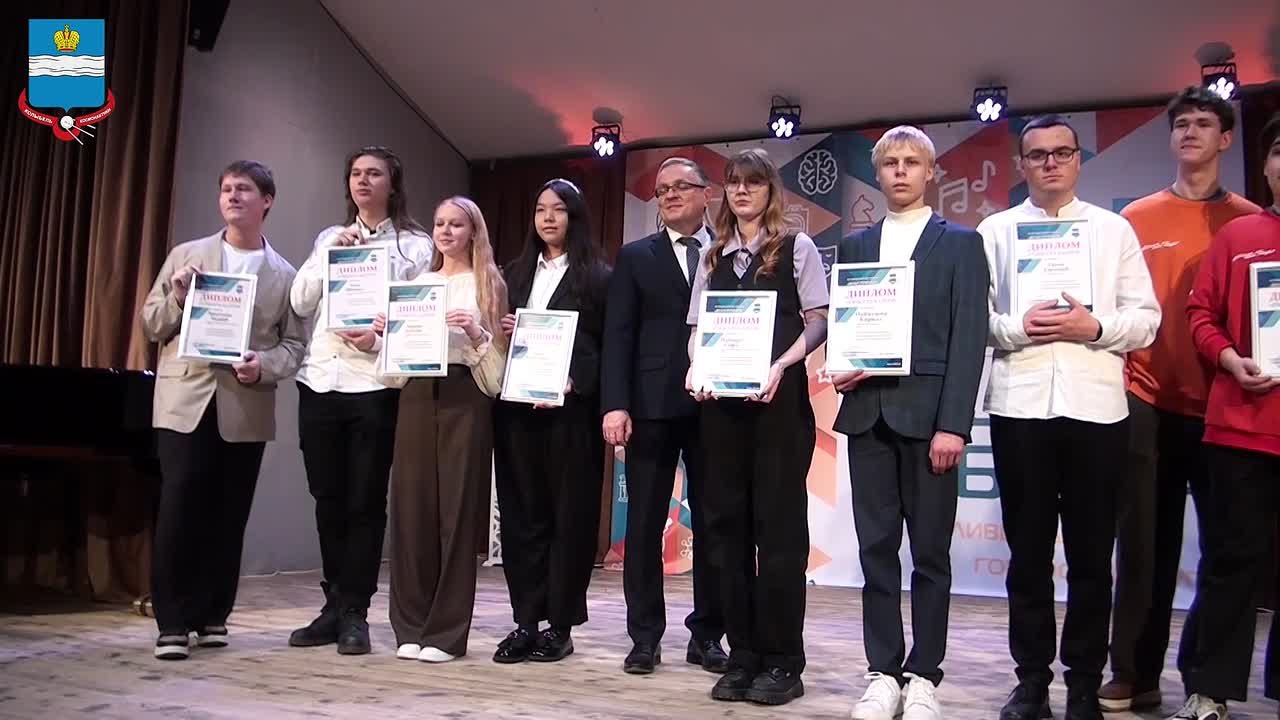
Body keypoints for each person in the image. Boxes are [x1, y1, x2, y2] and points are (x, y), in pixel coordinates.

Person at [980, 115, 1160, 720]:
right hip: (1020, 406)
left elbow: (1147, 319)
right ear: (1021, 165)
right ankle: (1031, 681)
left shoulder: (1113, 230)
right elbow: (976, 318)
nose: (1051, 163)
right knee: (1028, 557)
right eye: (1038, 155)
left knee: (1091, 557)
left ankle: (1084, 682)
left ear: (1079, 160)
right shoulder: (996, 231)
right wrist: (1017, 326)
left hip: (1096, 410)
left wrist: (1096, 326)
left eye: (1062, 152)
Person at [1101, 88, 1260, 712]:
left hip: (1226, 403)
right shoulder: (1136, 217)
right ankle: (1134, 673)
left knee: (1226, 548)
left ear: (1226, 139)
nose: (1191, 132)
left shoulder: (1248, 221)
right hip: (1146, 397)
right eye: (1182, 124)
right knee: (1143, 545)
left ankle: (1205, 681)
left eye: (1204, 124)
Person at [829, 126, 988, 720]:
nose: (900, 171)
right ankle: (882, 672)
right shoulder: (855, 245)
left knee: (929, 555)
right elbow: (847, 325)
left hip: (929, 422)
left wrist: (954, 425)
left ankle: (924, 675)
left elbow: (969, 337)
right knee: (875, 551)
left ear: (930, 172)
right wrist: (840, 363)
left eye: (911, 162)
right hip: (868, 415)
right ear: (877, 173)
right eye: (890, 162)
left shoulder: (961, 244)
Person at [140, 160, 306, 660]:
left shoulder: (285, 275)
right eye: (227, 189)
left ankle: (213, 614)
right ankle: (172, 622)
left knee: (229, 514)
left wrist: (264, 365)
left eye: (244, 189)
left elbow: (294, 346)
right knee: (178, 510)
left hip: (244, 404)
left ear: (267, 201)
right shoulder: (186, 256)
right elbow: (151, 324)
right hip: (184, 401)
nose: (233, 196)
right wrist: (176, 297)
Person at [686, 148, 829, 706]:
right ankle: (742, 655)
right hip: (722, 411)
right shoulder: (712, 255)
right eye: (733, 182)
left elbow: (818, 321)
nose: (741, 191)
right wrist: (697, 366)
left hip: (778, 407)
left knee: (780, 536)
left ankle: (782, 661)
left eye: (753, 182)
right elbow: (697, 329)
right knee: (726, 534)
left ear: (771, 189)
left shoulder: (797, 247)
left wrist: (781, 365)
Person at [286, 146, 433, 655]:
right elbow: (300, 301)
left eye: (374, 173)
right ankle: (332, 604)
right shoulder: (330, 237)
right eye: (355, 173)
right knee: (327, 497)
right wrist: (330, 255)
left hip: (373, 385)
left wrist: (379, 339)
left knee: (365, 501)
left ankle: (355, 611)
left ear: (393, 184)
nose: (363, 181)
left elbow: (418, 319)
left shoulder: (415, 246)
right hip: (319, 381)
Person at [1167, 112, 1280, 720]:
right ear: (1265, 166)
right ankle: (1208, 692)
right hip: (1241, 426)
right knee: (1232, 561)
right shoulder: (1239, 235)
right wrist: (1231, 359)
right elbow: (1202, 315)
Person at [601, 156, 727, 676]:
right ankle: (645, 637)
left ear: (706, 193)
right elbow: (618, 335)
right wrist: (615, 403)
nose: (670, 195)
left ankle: (708, 636)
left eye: (681, 186)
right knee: (645, 523)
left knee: (715, 523)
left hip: (716, 405)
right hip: (650, 406)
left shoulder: (729, 252)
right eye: (662, 190)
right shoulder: (636, 256)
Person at [374, 196, 508, 663]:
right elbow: (390, 373)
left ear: (473, 231)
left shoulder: (488, 284)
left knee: (457, 511)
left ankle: (446, 634)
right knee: (411, 509)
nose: (446, 232)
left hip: (464, 395)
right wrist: (384, 336)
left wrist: (475, 332)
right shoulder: (418, 285)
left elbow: (497, 373)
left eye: (456, 224)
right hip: (415, 394)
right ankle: (410, 625)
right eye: (439, 224)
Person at [491, 178, 611, 664]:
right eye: (540, 209)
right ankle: (525, 621)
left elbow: (608, 347)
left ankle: (559, 625)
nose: (547, 217)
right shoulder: (512, 274)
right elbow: (494, 342)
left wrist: (574, 380)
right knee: (522, 517)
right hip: (517, 412)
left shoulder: (598, 277)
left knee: (569, 519)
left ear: (574, 216)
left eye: (558, 209)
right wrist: (504, 331)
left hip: (570, 415)